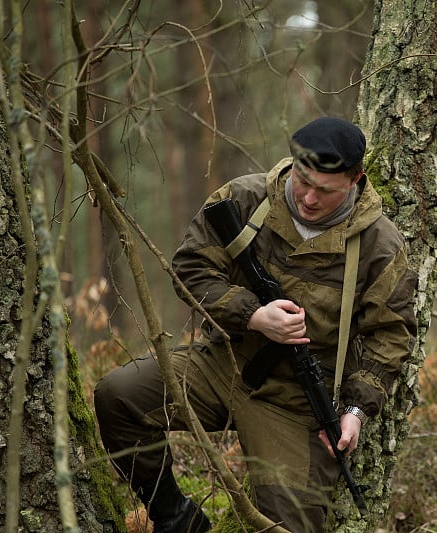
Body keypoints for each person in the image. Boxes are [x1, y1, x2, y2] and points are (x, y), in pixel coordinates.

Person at [94, 117, 417, 533]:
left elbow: (389, 335)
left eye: (325, 190)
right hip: (222, 362)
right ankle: (175, 516)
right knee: (119, 395)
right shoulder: (245, 200)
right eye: (303, 180)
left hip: (295, 402)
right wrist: (252, 315)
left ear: (355, 180)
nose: (309, 198)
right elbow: (190, 268)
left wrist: (356, 410)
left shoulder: (379, 244)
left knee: (288, 525)